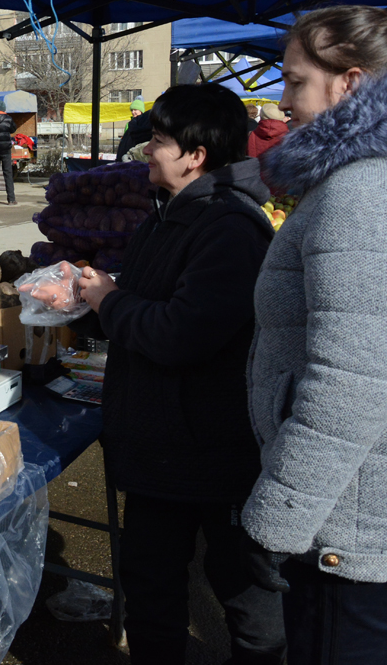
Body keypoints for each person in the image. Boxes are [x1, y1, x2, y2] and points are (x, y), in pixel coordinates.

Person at [242, 5, 387, 665]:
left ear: (350, 84)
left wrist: (278, 519)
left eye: (296, 80)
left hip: (352, 516)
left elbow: (350, 383)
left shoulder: (368, 195)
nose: (282, 98)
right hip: (370, 498)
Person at [75, 83, 284, 665]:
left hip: (206, 449)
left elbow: (181, 333)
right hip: (163, 444)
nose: (148, 150)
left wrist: (109, 303)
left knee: (242, 588)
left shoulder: (229, 228)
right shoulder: (169, 217)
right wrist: (90, 304)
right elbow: (145, 301)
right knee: (151, 585)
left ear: (195, 155)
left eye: (159, 141)